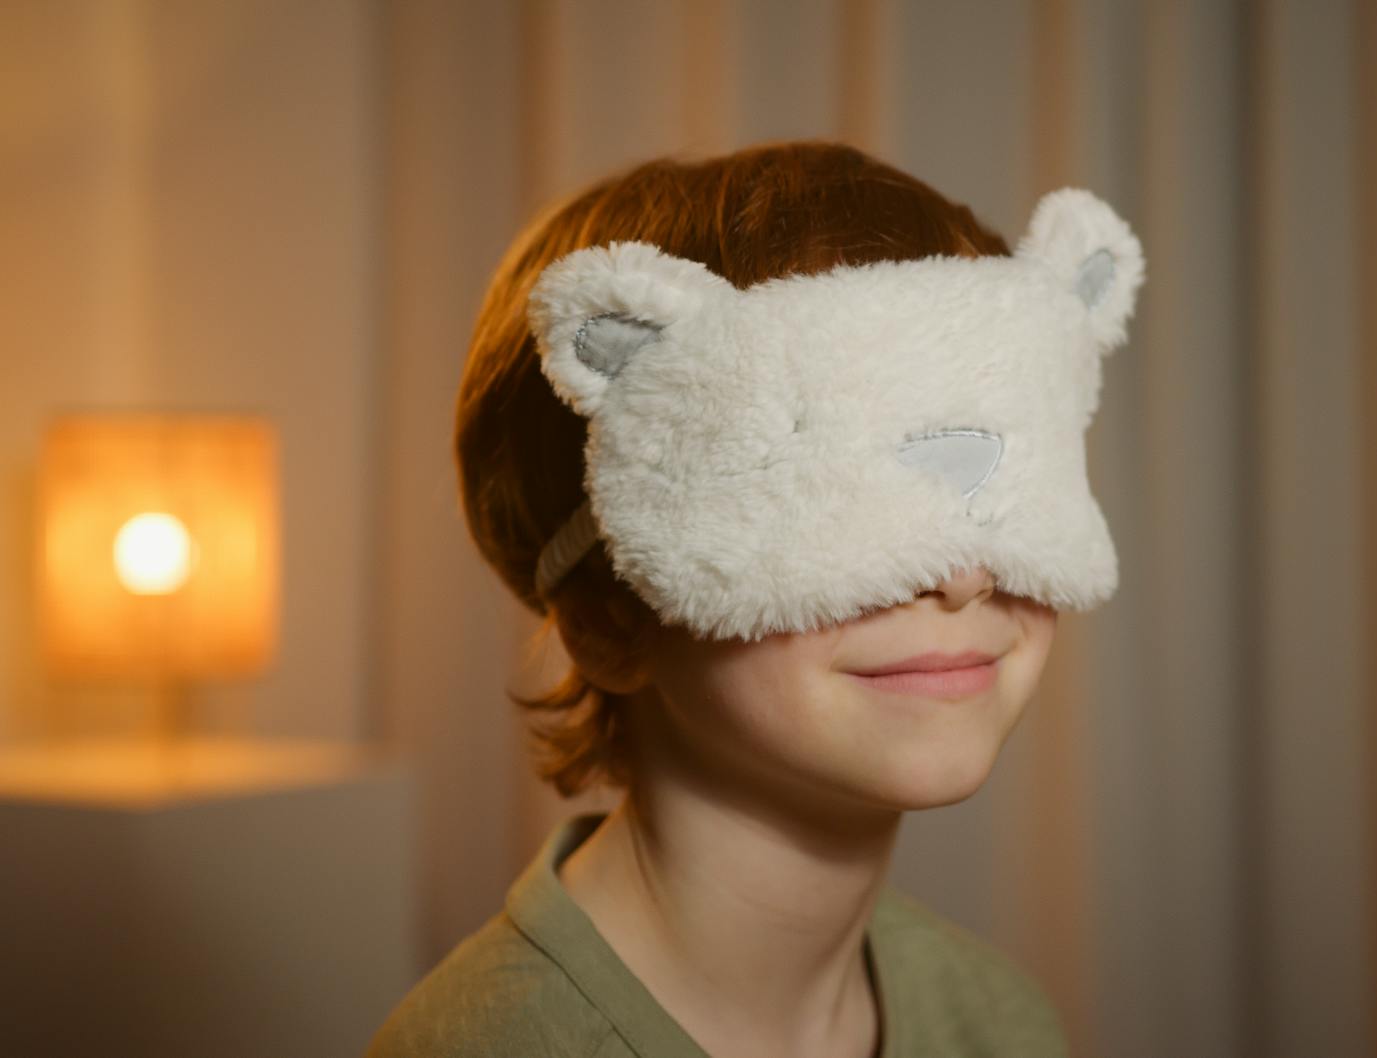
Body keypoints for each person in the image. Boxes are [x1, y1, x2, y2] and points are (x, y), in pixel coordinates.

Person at [364, 139, 1142, 1058]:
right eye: (836, 501)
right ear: (609, 617)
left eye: (997, 487)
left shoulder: (998, 1023)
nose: (966, 574)